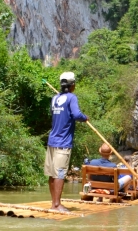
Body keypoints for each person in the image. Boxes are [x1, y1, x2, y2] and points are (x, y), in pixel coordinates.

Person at [44, 72, 88, 212]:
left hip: (52, 141)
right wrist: (85, 117)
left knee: (52, 173)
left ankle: (53, 203)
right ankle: (57, 205)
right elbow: (76, 115)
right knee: (60, 174)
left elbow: (55, 114)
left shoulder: (54, 98)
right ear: (72, 85)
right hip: (63, 143)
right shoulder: (71, 98)